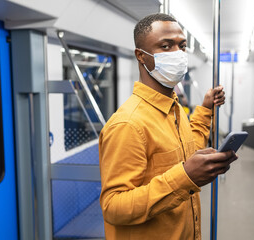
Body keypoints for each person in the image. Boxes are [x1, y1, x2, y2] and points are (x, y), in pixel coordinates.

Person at [99, 13, 237, 240]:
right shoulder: (128, 124)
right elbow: (114, 207)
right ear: (141, 56)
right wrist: (185, 177)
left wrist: (205, 110)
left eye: (182, 46)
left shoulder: (174, 109)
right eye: (165, 46)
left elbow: (187, 151)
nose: (177, 54)